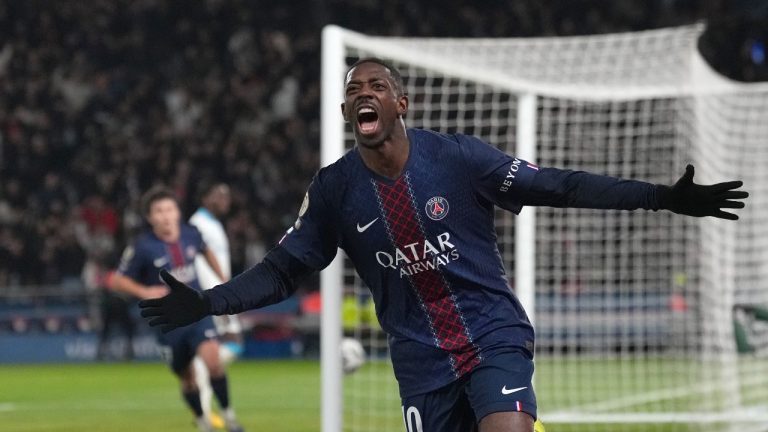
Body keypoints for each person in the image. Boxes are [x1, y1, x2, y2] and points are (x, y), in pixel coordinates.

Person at [139, 58, 749, 432]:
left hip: (491, 336)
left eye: (375, 85)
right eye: (353, 89)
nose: (362, 93)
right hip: (420, 364)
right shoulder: (333, 191)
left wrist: (660, 197)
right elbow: (281, 270)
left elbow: (558, 186)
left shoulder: (457, 158)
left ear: (400, 103)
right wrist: (208, 302)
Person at [111, 186, 245, 432]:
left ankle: (229, 417)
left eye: (169, 209)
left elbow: (207, 251)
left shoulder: (191, 234)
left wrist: (223, 281)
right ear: (150, 217)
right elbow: (117, 280)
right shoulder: (142, 247)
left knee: (214, 361)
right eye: (158, 211)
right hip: (168, 321)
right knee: (187, 378)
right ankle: (203, 421)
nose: (165, 215)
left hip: (196, 312)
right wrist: (146, 292)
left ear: (177, 213)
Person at [188, 181, 244, 429]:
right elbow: (195, 261)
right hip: (213, 297)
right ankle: (205, 406)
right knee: (232, 344)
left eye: (227, 195)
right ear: (205, 197)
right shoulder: (198, 224)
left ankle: (201, 375)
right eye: (219, 194)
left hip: (220, 295)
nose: (225, 199)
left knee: (229, 347)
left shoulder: (213, 224)